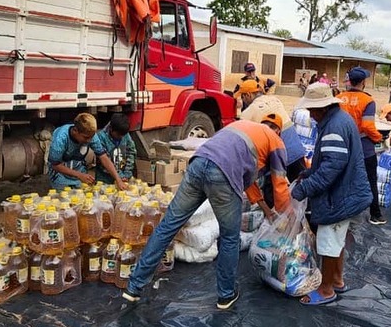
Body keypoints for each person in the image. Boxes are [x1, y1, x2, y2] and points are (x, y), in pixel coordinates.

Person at [124, 118, 291, 309]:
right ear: (278, 130)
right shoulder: (276, 141)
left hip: (198, 163)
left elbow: (250, 183)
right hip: (222, 173)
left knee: (167, 226)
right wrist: (286, 219)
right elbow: (280, 186)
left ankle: (133, 287)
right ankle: (226, 295)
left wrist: (267, 211)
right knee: (229, 237)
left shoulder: (243, 127)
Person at [291, 83, 372, 306]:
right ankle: (336, 280)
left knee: (327, 243)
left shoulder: (334, 127)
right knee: (336, 241)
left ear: (322, 108)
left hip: (340, 197)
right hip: (346, 192)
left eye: (311, 110)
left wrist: (302, 190)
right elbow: (329, 161)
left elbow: (330, 170)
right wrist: (308, 173)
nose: (310, 114)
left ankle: (326, 290)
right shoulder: (339, 120)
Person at [237, 79, 306, 207]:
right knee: (302, 186)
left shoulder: (247, 114)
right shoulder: (275, 100)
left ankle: (277, 220)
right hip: (295, 148)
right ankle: (308, 220)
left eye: (243, 96)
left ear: (248, 95)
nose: (242, 101)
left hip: (274, 153)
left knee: (273, 192)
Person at [337, 67, 386, 225]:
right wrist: (378, 138)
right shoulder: (368, 101)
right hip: (363, 147)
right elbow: (367, 126)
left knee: (342, 179)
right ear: (363, 82)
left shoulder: (339, 98)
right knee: (370, 180)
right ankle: (375, 215)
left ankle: (341, 212)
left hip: (343, 145)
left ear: (349, 81)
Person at [48, 113, 127, 191]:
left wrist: (118, 179)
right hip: (60, 175)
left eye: (91, 137)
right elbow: (55, 165)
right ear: (75, 131)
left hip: (79, 171)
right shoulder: (60, 139)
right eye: (86, 137)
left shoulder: (91, 135)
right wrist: (79, 175)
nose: (89, 140)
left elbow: (103, 157)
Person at [95, 113, 137, 184]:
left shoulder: (124, 134)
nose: (121, 137)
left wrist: (127, 173)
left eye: (123, 135)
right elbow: (104, 161)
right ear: (111, 129)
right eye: (118, 135)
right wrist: (119, 176)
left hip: (124, 177)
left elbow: (131, 152)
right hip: (105, 180)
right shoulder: (101, 137)